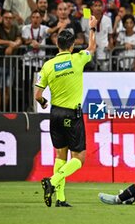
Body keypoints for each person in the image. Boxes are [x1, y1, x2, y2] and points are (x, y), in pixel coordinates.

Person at [35, 15, 97, 207]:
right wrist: (92, 28)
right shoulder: (77, 59)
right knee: (79, 158)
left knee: (60, 156)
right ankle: (52, 182)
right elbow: (92, 48)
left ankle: (61, 199)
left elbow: (37, 94)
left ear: (57, 44)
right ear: (71, 46)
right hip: (72, 114)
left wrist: (44, 102)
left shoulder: (47, 66)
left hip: (54, 114)